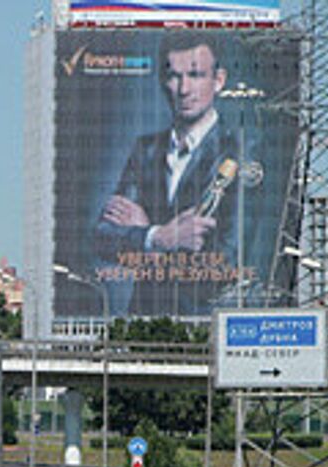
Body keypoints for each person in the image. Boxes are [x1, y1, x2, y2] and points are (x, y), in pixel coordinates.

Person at [94, 31, 240, 318]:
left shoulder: (239, 151)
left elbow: (227, 258)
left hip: (206, 322)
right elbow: (103, 236)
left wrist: (143, 240)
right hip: (144, 320)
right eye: (175, 76)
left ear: (218, 80)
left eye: (196, 75)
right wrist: (160, 236)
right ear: (163, 82)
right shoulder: (145, 149)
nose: (184, 89)